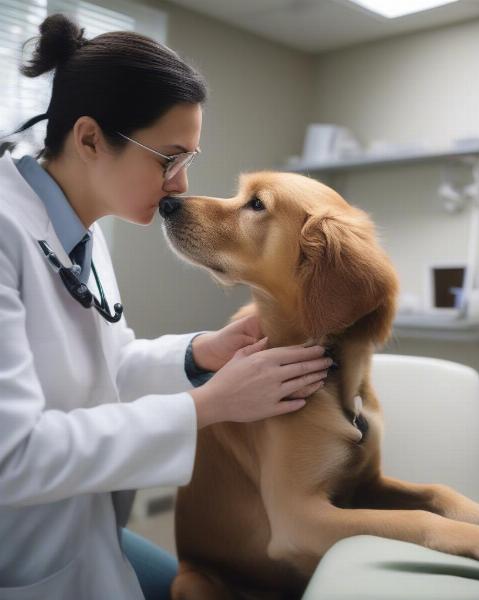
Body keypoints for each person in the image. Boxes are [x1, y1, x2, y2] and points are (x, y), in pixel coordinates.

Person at [0, 14, 332, 600]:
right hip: (26, 563)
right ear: (89, 139)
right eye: (168, 158)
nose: (180, 186)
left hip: (90, 537)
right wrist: (207, 406)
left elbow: (109, 365)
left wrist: (203, 352)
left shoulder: (81, 228)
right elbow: (15, 457)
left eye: (187, 161)